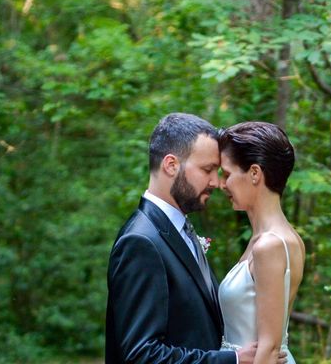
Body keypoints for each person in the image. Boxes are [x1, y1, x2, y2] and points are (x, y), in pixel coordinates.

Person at [105, 113, 281, 364]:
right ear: (171, 165)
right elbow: (141, 356)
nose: (216, 182)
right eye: (207, 169)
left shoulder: (176, 230)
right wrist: (232, 360)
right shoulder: (141, 241)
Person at [217, 122, 305, 364]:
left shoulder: (270, 245)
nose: (222, 185)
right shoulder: (283, 238)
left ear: (255, 173)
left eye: (227, 174)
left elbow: (269, 347)